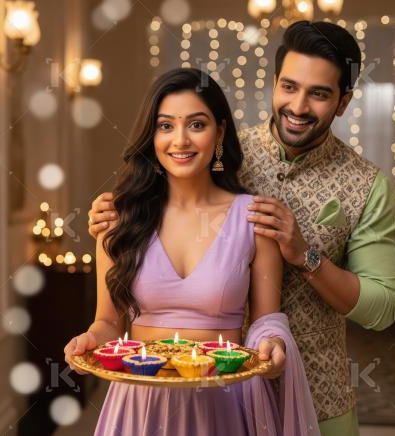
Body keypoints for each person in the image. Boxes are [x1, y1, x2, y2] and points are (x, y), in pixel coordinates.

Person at [85, 21, 395, 436]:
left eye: (320, 93)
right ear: (274, 83)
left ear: (343, 102)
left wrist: (305, 255)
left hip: (316, 392)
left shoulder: (367, 184)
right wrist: (115, 212)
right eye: (289, 86)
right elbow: (161, 194)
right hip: (211, 396)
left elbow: (382, 308)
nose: (299, 105)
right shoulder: (217, 150)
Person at [64, 67, 318, 435]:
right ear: (151, 136)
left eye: (196, 125)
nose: (180, 140)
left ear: (220, 132)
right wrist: (91, 338)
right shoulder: (118, 220)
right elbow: (107, 323)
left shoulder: (253, 218)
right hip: (140, 404)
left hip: (225, 400)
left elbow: (266, 319)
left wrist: (273, 344)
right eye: (166, 126)